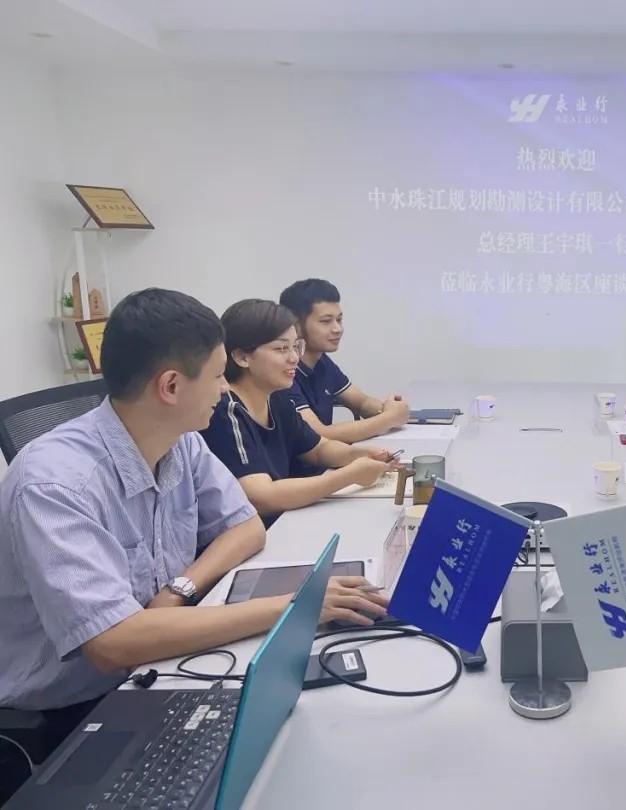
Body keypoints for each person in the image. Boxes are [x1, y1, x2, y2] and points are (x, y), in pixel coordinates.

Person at [0, 289, 388, 798]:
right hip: (69, 712)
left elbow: (246, 526)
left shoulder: (180, 440)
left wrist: (180, 589)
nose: (225, 389)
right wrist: (295, 608)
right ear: (171, 386)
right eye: (218, 375)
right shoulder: (56, 485)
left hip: (157, 662)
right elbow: (113, 644)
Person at [200, 299, 397, 526]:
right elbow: (261, 497)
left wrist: (360, 454)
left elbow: (318, 449)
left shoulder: (276, 397)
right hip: (257, 531)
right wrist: (350, 475)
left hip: (286, 520)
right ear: (242, 357)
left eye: (296, 347)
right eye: (281, 348)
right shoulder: (226, 411)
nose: (294, 357)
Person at [279, 279, 410, 444]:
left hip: (328, 457)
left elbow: (362, 402)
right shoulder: (283, 371)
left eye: (339, 320)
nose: (337, 329)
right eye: (326, 321)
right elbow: (318, 434)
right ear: (296, 326)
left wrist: (388, 408)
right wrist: (389, 418)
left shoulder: (322, 362)